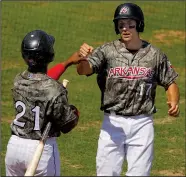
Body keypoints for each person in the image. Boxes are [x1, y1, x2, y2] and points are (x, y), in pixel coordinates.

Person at [76, 3, 180, 176]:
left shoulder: (154, 54)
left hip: (142, 123)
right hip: (112, 123)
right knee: (106, 173)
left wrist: (174, 101)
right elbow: (83, 70)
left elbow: (170, 81)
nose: (125, 28)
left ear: (139, 25)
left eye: (130, 24)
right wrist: (83, 58)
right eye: (121, 24)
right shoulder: (107, 51)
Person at [5, 29, 83, 176]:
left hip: (14, 148)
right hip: (40, 150)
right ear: (49, 54)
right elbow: (67, 124)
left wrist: (66, 63)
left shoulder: (18, 81)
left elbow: (41, 81)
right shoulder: (54, 89)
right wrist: (74, 112)